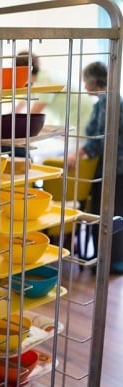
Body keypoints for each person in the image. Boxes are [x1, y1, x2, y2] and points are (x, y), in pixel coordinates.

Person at [67, 61, 123, 273]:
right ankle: (110, 261)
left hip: (113, 169)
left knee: (105, 214)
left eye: (85, 80)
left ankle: (108, 262)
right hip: (115, 167)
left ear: (93, 80)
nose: (84, 85)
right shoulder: (110, 98)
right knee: (112, 213)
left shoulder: (108, 100)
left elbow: (101, 139)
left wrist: (77, 153)